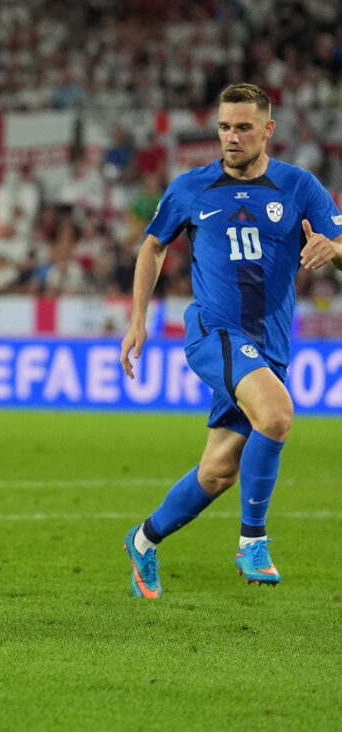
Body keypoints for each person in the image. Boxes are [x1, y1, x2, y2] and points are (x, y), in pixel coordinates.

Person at [119, 83, 342, 599]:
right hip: (213, 332)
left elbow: (340, 247)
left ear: (268, 129)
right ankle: (252, 540)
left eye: (243, 127)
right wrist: (138, 320)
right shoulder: (192, 187)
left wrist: (332, 250)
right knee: (278, 414)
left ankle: (143, 541)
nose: (231, 136)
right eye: (224, 127)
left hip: (270, 346)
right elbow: (152, 248)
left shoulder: (299, 186)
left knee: (218, 472)